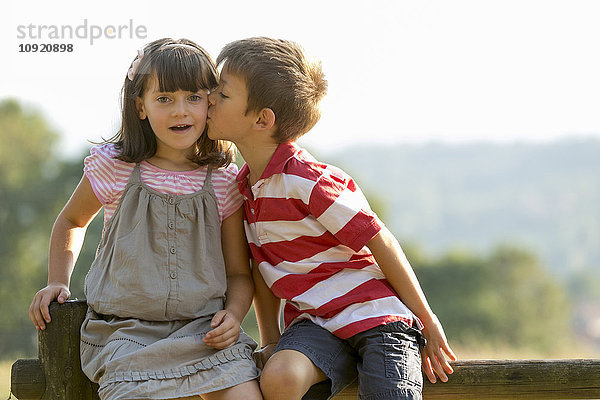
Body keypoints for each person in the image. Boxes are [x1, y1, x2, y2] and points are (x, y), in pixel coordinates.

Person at [206, 37, 457, 400]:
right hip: (315, 324)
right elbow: (264, 267)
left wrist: (427, 319)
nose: (210, 97)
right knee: (278, 378)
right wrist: (271, 339)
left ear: (262, 119)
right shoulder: (244, 186)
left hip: (375, 318)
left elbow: (378, 238)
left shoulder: (307, 179)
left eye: (223, 93)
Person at [28, 38, 262, 400]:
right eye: (164, 99)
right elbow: (73, 220)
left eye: (193, 98)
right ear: (141, 106)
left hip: (204, 334)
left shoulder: (223, 180)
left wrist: (233, 315)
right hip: (124, 335)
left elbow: (237, 273)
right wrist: (58, 280)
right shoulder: (115, 167)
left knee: (245, 396)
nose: (180, 111)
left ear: (210, 103)